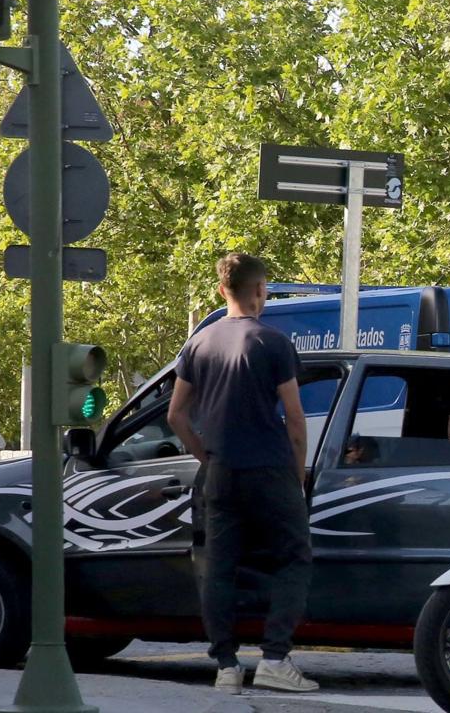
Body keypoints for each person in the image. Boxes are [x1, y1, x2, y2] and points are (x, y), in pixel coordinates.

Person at [167, 253, 318, 694]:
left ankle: (226, 667)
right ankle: (274, 657)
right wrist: (298, 474)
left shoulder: (198, 344)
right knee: (294, 557)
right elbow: (294, 417)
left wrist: (206, 458)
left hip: (221, 471)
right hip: (269, 468)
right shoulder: (271, 342)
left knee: (219, 568)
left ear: (222, 291)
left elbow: (177, 415)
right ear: (259, 291)